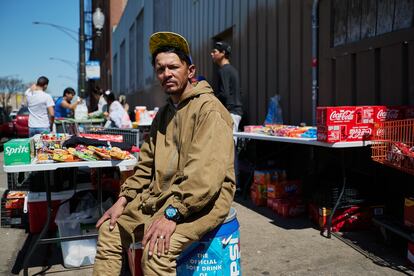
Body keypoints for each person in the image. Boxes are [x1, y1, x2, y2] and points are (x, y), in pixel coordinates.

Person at [93, 31, 236, 275]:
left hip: (202, 201)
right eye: (160, 69)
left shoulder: (208, 110)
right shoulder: (164, 113)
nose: (166, 74)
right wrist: (123, 200)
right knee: (109, 229)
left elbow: (205, 176)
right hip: (162, 196)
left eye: (173, 67)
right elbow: (145, 165)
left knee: (156, 251)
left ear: (190, 71)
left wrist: (172, 214)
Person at [210, 41, 243, 131]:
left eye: (214, 51)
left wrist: (212, 99)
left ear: (223, 53)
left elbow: (224, 94)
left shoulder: (224, 71)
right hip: (235, 112)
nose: (211, 54)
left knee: (228, 142)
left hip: (230, 112)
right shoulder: (232, 70)